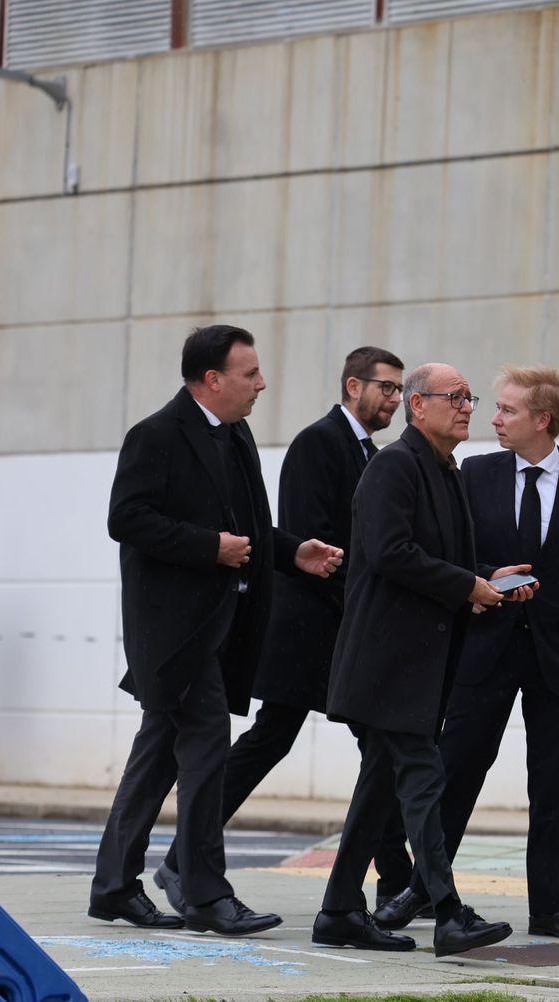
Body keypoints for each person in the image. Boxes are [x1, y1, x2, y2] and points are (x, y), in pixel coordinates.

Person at [89, 325, 345, 936]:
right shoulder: (155, 435)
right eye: (250, 373)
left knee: (156, 757)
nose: (261, 384)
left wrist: (291, 552)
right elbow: (126, 518)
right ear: (213, 380)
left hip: (218, 628)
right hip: (174, 635)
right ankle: (204, 894)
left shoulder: (235, 435)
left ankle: (113, 887)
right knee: (204, 750)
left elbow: (247, 526)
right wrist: (209, 548)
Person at [376, 366, 559, 941]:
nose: (491, 417)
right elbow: (447, 553)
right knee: (455, 772)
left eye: (507, 410)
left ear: (542, 420)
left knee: (551, 783)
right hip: (485, 646)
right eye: (492, 408)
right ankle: (423, 888)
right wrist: (479, 580)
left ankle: (548, 903)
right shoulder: (474, 472)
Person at [152, 346, 413, 915]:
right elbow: (310, 540)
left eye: (398, 390)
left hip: (343, 627)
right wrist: (364, 612)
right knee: (286, 740)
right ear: (353, 386)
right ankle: (182, 859)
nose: (395, 399)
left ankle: (396, 879)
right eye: (387, 388)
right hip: (311, 629)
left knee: (381, 749)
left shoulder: (371, 452)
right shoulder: (319, 443)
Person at [313, 363, 534, 957]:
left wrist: (491, 578)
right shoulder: (393, 466)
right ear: (418, 406)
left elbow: (445, 558)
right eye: (456, 397)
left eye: (470, 397)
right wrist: (467, 587)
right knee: (422, 777)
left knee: (381, 786)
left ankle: (338, 912)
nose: (467, 407)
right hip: (388, 662)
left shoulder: (444, 470)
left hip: (417, 663)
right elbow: (390, 553)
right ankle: (448, 913)